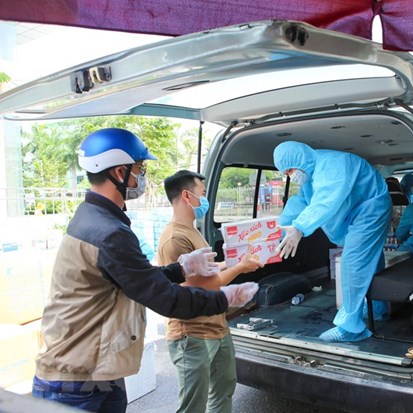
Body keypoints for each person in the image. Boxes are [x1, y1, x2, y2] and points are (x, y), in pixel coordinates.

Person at [31, 128, 246, 412]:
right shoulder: (108, 232)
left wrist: (180, 268)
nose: (142, 178)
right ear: (119, 172)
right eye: (140, 169)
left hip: (96, 369)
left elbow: (133, 280)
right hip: (75, 379)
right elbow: (165, 299)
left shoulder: (94, 218)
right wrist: (225, 298)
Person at [157, 170, 262, 413]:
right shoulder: (174, 238)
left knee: (223, 391)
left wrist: (236, 262)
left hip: (216, 327)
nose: (205, 200)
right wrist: (239, 268)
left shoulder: (191, 229)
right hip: (191, 334)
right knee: (194, 405)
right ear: (187, 195)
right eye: (202, 194)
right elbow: (199, 287)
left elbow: (206, 270)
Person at [273, 141, 392, 343]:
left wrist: (299, 227)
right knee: (368, 260)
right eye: (285, 173)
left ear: (299, 159)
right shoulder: (310, 175)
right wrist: (279, 229)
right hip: (356, 213)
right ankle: (378, 307)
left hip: (371, 210)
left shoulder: (332, 164)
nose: (290, 176)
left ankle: (351, 328)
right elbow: (301, 202)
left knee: (352, 262)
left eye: (290, 170)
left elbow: (325, 201)